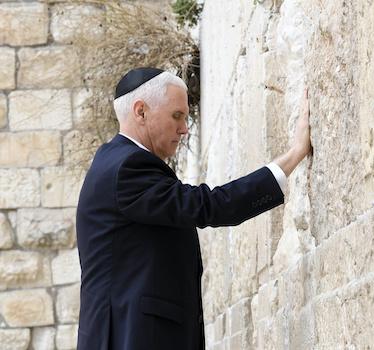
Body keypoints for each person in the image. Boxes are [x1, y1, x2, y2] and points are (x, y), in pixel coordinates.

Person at [76, 67, 312, 350]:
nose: (185, 129)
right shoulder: (128, 168)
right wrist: (294, 155)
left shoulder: (114, 162)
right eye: (177, 116)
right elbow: (209, 205)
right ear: (141, 112)